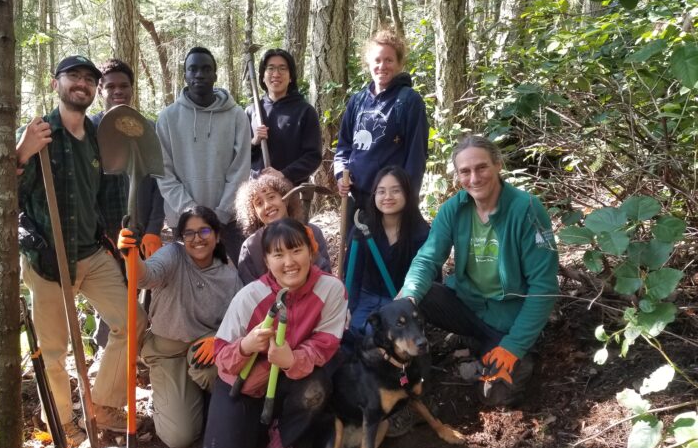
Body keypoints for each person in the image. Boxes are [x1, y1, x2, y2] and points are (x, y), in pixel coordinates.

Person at [16, 55, 147, 445]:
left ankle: (104, 404)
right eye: (74, 76)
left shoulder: (95, 136)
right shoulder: (38, 132)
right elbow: (7, 196)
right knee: (53, 353)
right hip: (49, 260)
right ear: (55, 82)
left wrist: (120, 240)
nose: (82, 84)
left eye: (89, 79)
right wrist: (21, 154)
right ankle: (62, 424)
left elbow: (109, 196)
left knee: (132, 321)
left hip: (91, 254)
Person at [399, 135, 559, 406]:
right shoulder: (454, 208)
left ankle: (499, 348)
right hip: (466, 306)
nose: (474, 178)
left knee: (495, 396)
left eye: (481, 167)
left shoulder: (526, 209)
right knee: (414, 299)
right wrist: (409, 296)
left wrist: (514, 346)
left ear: (498, 165)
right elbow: (427, 259)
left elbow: (544, 288)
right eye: (465, 171)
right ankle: (416, 381)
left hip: (507, 321)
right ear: (458, 175)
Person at [200, 218, 346, 448]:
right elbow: (221, 357)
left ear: (311, 251)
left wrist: (292, 359)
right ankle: (243, 423)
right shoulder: (250, 296)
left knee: (317, 386)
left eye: (296, 250)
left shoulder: (330, 290)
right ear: (266, 261)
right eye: (278, 254)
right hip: (243, 385)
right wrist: (246, 345)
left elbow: (326, 344)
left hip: (292, 378)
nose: (289, 262)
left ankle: (283, 433)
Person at [118, 206, 242, 448]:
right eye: (189, 233)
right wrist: (130, 255)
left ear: (217, 236)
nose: (197, 238)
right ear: (181, 238)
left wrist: (219, 337)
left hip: (204, 348)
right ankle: (178, 398)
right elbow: (145, 276)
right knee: (179, 438)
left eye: (204, 231)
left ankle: (215, 404)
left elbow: (241, 318)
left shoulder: (229, 273)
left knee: (207, 370)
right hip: (168, 352)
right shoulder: (173, 255)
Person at [90, 58, 165, 349]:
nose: (117, 91)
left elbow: (160, 181)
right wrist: (98, 232)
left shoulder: (147, 129)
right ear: (100, 90)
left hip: (142, 227)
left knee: (140, 288)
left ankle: (137, 352)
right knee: (110, 297)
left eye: (124, 85)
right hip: (105, 233)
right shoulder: (92, 129)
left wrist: (155, 228)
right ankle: (106, 352)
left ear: (132, 89)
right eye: (110, 86)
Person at [156, 46, 251, 264]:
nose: (199, 74)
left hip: (228, 220)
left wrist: (221, 214)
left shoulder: (236, 116)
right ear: (185, 75)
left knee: (234, 280)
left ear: (215, 75)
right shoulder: (167, 118)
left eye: (206, 69)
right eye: (193, 69)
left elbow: (241, 169)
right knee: (189, 285)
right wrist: (191, 213)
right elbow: (163, 172)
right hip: (183, 221)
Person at [333, 29, 429, 219]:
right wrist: (340, 175)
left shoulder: (409, 101)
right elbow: (344, 147)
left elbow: (416, 157)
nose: (382, 66)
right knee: (356, 249)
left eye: (389, 60)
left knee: (386, 249)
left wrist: (406, 200)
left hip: (389, 201)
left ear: (399, 63)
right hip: (356, 198)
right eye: (377, 60)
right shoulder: (357, 101)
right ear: (369, 63)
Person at [344, 165, 429, 335]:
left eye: (395, 191)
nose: (388, 197)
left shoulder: (421, 233)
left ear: (407, 193)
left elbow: (430, 280)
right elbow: (352, 277)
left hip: (401, 302)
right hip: (365, 298)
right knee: (350, 333)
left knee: (378, 336)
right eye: (381, 191)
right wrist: (345, 308)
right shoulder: (362, 228)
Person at [235, 173, 330, 284]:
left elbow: (326, 276)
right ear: (253, 213)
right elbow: (250, 291)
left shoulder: (313, 232)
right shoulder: (251, 247)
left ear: (286, 199)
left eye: (271, 197)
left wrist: (314, 254)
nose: (267, 205)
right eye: (259, 203)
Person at [247, 49, 322, 185]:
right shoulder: (252, 111)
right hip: (257, 190)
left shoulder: (305, 112)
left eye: (283, 68)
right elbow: (239, 157)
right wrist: (254, 142)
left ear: (291, 76)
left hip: (291, 190)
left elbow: (313, 157)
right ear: (263, 76)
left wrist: (284, 174)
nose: (276, 74)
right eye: (271, 68)